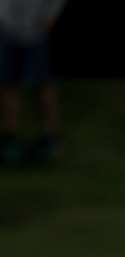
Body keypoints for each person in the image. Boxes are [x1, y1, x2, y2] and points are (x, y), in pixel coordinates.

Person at [0, 0, 66, 164]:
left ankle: (51, 136)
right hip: (8, 29)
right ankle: (9, 136)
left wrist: (51, 16)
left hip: (35, 32)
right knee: (8, 84)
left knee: (43, 85)